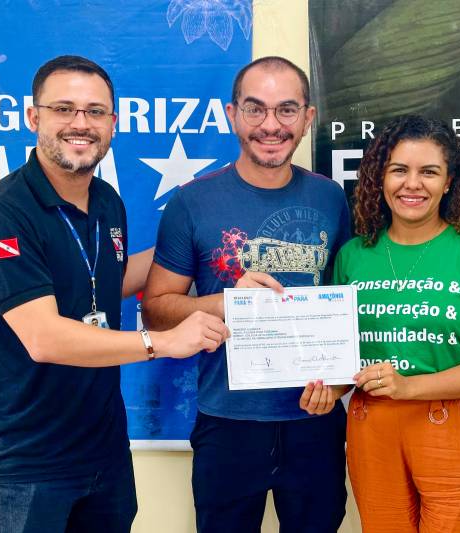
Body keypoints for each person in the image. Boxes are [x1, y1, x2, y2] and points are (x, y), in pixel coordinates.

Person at [0, 55, 228, 533]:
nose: (81, 123)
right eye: (64, 109)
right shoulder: (2, 211)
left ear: (113, 123)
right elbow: (43, 338)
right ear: (33, 117)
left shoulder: (107, 202)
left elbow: (107, 282)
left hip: (104, 450)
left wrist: (205, 250)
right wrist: (163, 342)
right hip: (26, 459)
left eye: (95, 111)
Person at [141, 56, 351, 532]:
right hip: (227, 422)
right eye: (255, 109)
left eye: (286, 109)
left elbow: (344, 304)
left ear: (308, 118)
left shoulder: (331, 198)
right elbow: (155, 312)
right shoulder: (191, 201)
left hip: (315, 420)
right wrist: (227, 302)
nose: (271, 125)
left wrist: (338, 384)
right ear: (232, 114)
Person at [333, 114, 460, 533]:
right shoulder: (352, 256)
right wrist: (326, 390)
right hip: (373, 428)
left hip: (456, 426)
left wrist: (408, 387)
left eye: (428, 172)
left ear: (449, 181)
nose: (412, 184)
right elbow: (340, 358)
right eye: (399, 170)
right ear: (379, 178)